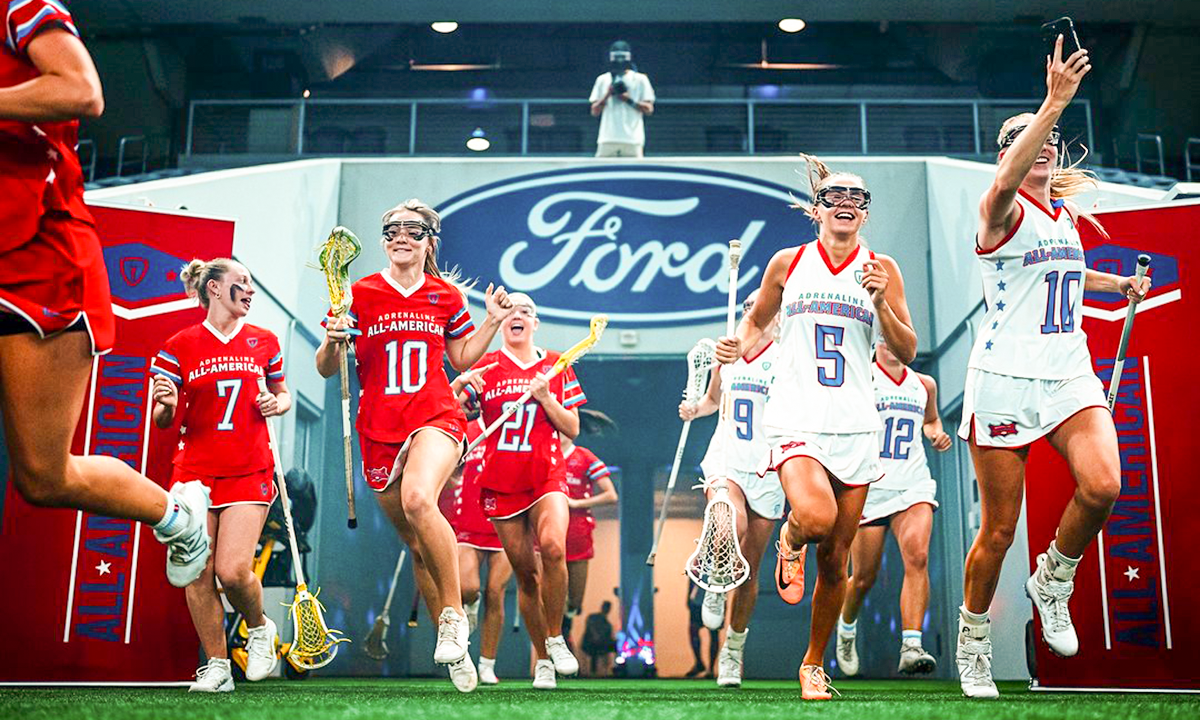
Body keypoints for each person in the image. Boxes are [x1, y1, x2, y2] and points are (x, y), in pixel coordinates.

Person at [954, 36, 1150, 699]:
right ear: (1003, 153)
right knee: (999, 530)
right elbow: (1008, 180)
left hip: (1068, 373)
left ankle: (1055, 579)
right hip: (1004, 377)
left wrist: (1110, 285)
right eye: (1025, 137)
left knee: (1102, 486)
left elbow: (1058, 272)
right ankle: (974, 638)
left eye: (1050, 136)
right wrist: (1053, 99)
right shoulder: (998, 208)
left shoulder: (1063, 216)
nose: (1042, 143)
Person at [0, 1, 212, 593]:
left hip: (37, 254)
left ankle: (176, 516)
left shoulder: (21, 9)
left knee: (42, 478)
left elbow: (81, 90)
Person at [718, 154, 917, 700]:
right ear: (818, 208)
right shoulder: (789, 262)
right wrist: (741, 343)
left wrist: (880, 303)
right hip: (796, 415)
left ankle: (812, 664)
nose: (847, 204)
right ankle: (790, 534)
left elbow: (907, 348)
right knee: (816, 518)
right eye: (836, 197)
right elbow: (758, 319)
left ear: (866, 214)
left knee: (835, 561)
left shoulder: (883, 268)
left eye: (858, 198)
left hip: (855, 423)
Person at [316, 199, 514, 693]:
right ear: (384, 240)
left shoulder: (444, 295)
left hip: (435, 415)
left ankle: (452, 619)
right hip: (378, 426)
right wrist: (333, 339)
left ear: (429, 240)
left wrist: (490, 321)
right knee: (419, 547)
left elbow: (462, 355)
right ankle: (458, 652)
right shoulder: (357, 294)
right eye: (392, 229)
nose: (401, 236)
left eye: (413, 229)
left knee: (420, 499)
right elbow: (325, 367)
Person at [150, 259, 289, 693]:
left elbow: (282, 396)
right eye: (241, 282)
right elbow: (161, 419)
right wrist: (168, 405)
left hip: (250, 468)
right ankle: (216, 665)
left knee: (232, 571)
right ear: (214, 288)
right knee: (197, 571)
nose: (249, 289)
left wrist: (276, 404)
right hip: (193, 472)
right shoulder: (178, 345)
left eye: (251, 283)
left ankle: (259, 624)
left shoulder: (264, 342)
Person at [470, 292, 584, 690]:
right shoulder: (484, 364)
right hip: (502, 483)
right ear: (501, 321)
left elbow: (572, 428)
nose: (518, 315)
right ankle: (544, 660)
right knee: (527, 577)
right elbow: (457, 407)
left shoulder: (556, 365)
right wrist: (459, 391)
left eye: (527, 311)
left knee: (554, 546)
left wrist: (546, 398)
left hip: (546, 475)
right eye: (511, 310)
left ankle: (555, 638)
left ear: (536, 323)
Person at [678, 289, 784, 688]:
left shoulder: (788, 359)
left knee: (752, 570)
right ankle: (714, 578)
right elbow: (711, 401)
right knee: (726, 520)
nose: (755, 313)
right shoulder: (728, 355)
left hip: (770, 466)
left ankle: (732, 651)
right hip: (727, 458)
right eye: (748, 308)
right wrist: (695, 409)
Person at [836, 338, 952, 678]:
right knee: (864, 578)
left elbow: (930, 421)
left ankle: (911, 645)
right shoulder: (861, 377)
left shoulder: (923, 384)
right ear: (875, 343)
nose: (892, 342)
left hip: (912, 482)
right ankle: (846, 629)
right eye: (885, 336)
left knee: (917, 555)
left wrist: (936, 434)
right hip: (870, 486)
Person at [455, 413, 514, 686]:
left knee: (495, 591)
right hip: (469, 520)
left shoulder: (515, 425)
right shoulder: (467, 429)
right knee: (468, 588)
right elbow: (447, 465)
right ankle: (472, 604)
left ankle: (487, 664)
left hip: (506, 520)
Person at [561, 435, 617, 642]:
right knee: (549, 592)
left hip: (577, 532)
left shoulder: (584, 457)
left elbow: (611, 495)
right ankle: (555, 637)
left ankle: (567, 620)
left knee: (574, 600)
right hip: (546, 531)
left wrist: (575, 504)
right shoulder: (545, 453)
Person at [589, 40, 655, 157]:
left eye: (622, 56)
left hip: (632, 139)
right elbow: (594, 111)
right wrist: (607, 94)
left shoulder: (640, 79)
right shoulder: (602, 79)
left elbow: (649, 109)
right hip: (607, 138)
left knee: (634, 172)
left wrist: (627, 99)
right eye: (616, 57)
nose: (619, 60)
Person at [685, 580, 720, 678]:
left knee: (713, 633)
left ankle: (711, 669)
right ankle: (699, 662)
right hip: (698, 601)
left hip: (715, 602)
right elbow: (692, 575)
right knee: (693, 630)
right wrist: (688, 595)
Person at [581, 600, 617, 677]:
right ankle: (593, 671)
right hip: (590, 643)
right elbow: (590, 628)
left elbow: (609, 637)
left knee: (617, 646)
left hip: (601, 644)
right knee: (595, 649)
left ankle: (616, 668)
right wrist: (596, 636)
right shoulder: (594, 618)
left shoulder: (607, 624)